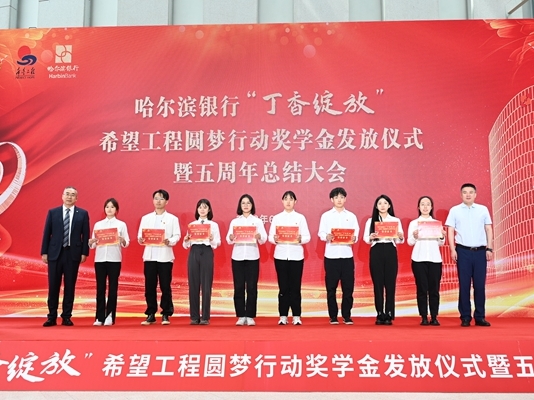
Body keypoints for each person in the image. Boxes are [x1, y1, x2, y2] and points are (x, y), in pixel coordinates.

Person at [445, 183, 493, 327]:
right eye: (465, 192)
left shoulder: (483, 209)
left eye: (471, 192)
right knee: (464, 285)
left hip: (480, 252)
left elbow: (488, 229)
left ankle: (480, 316)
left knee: (480, 285)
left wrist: (489, 248)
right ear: (461, 194)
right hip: (463, 251)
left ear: (475, 194)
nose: (468, 194)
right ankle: (465, 317)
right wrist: (452, 249)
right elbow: (450, 230)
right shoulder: (455, 210)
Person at [41, 186, 90, 327]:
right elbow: (47, 233)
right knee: (53, 286)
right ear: (62, 196)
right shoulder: (53, 212)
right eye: (67, 194)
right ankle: (51, 317)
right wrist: (44, 252)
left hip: (72, 254)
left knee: (70, 286)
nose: (69, 197)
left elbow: (86, 234)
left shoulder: (83, 214)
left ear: (77, 198)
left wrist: (84, 252)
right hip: (55, 254)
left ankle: (66, 316)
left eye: (73, 195)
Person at [137, 189, 180, 326]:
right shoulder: (146, 218)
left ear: (167, 201)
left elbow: (177, 235)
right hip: (149, 256)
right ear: (153, 201)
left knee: (165, 286)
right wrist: (141, 239)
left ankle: (166, 313)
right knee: (149, 286)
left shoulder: (172, 219)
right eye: (156, 198)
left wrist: (169, 241)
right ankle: (151, 313)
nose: (158, 201)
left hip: (165, 257)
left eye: (161, 199)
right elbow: (140, 236)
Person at [268, 190, 311, 326]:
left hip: (296, 256)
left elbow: (307, 237)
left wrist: (300, 238)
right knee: (283, 287)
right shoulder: (277, 218)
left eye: (291, 199)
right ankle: (283, 316)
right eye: (286, 199)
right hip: (280, 256)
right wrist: (275, 239)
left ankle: (297, 316)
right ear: (282, 201)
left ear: (295, 202)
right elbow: (270, 237)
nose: (288, 202)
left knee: (295, 287)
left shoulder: (300, 218)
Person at [318, 187, 360, 325]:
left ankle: (347, 315)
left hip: (347, 256)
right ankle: (333, 316)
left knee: (348, 288)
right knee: (331, 288)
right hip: (331, 256)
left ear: (345, 199)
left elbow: (356, 233)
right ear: (332, 200)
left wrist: (354, 238)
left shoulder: (351, 216)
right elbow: (321, 232)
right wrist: (326, 236)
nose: (339, 200)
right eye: (336, 197)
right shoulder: (326, 216)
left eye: (342, 197)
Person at [226, 194, 267, 326]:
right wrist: (231, 237)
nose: (246, 205)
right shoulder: (235, 222)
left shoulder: (257, 221)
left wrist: (259, 236)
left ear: (252, 205)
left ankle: (250, 315)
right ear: (240, 205)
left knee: (251, 287)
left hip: (252, 256)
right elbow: (228, 239)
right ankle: (240, 315)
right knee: (238, 286)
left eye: (248, 203)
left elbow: (264, 239)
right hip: (237, 257)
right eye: (243, 203)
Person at [363, 194, 404, 325]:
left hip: (390, 250)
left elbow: (399, 240)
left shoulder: (395, 220)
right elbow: (365, 239)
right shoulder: (371, 221)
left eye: (385, 203)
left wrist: (400, 236)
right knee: (378, 283)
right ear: (376, 206)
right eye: (380, 203)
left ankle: (389, 313)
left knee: (390, 283)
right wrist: (371, 237)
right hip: (377, 249)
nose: (382, 206)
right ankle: (380, 313)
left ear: (389, 205)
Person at [89, 198, 130, 326]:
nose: (109, 209)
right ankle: (99, 317)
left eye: (112, 207)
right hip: (100, 259)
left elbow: (126, 243)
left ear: (116, 209)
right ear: (104, 209)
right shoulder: (98, 225)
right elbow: (93, 245)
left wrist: (122, 240)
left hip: (114, 259)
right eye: (107, 207)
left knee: (113, 288)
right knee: (100, 288)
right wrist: (91, 242)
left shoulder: (121, 224)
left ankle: (110, 316)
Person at [407, 196, 445, 326]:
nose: (425, 207)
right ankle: (423, 316)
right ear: (418, 207)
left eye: (428, 204)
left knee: (434, 289)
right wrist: (415, 236)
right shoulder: (414, 223)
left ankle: (434, 316)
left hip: (435, 259)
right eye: (422, 204)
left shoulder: (436, 223)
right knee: (422, 288)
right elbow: (409, 242)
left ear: (431, 207)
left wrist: (442, 236)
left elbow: (441, 243)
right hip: (418, 259)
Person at [183, 198, 221, 325]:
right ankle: (194, 316)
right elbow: (186, 245)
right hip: (194, 251)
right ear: (197, 210)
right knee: (193, 284)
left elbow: (217, 243)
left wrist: (211, 239)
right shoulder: (192, 225)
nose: (202, 209)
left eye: (205, 207)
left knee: (206, 284)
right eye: (200, 207)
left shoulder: (213, 225)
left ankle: (205, 317)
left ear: (209, 209)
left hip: (207, 251)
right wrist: (186, 239)